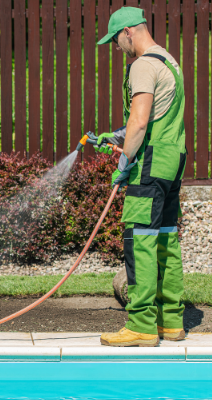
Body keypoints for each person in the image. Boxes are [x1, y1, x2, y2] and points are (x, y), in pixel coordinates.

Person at [95, 7, 187, 347]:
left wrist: (125, 162)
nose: (117, 47)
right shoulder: (169, 61)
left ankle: (142, 325)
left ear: (129, 32)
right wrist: (114, 139)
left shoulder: (143, 65)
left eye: (116, 40)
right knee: (165, 240)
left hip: (149, 166)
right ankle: (171, 321)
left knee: (140, 241)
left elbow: (140, 121)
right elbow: (156, 119)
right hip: (172, 162)